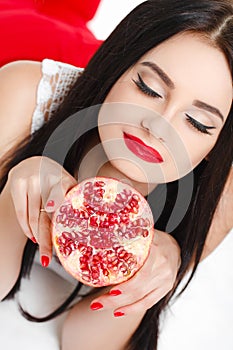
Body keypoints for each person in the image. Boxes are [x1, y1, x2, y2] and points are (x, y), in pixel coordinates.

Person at [0, 1, 232, 349]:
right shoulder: (27, 95)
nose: (158, 127)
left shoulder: (219, 194)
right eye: (148, 89)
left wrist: (153, 273)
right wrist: (14, 194)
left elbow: (86, 344)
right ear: (119, 68)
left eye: (198, 123)